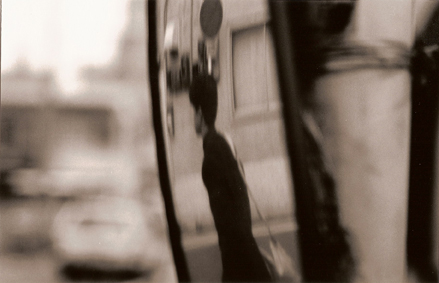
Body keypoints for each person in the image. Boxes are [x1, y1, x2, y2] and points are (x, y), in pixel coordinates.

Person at [189, 74, 272, 282]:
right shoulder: (224, 144)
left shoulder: (211, 159)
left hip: (239, 259)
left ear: (199, 113)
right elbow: (240, 203)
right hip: (243, 255)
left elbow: (229, 226)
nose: (193, 118)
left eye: (193, 112)